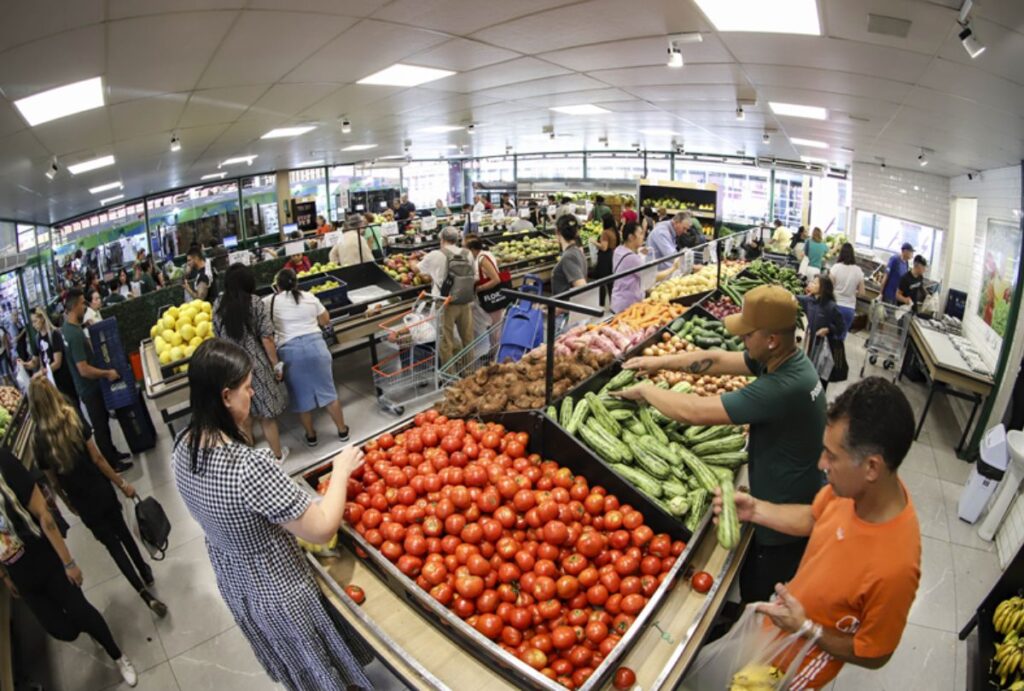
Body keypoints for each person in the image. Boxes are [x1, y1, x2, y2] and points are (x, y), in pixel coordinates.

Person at [171, 339, 373, 691]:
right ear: (224, 396)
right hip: (280, 587)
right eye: (247, 389)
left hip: (236, 579)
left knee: (303, 668)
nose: (252, 395)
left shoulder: (183, 445)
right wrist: (341, 469)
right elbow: (322, 529)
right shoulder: (247, 466)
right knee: (324, 665)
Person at [617, 285, 825, 602]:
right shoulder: (786, 360)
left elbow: (694, 411)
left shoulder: (781, 387)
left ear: (771, 339)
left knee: (761, 596)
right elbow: (714, 359)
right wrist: (659, 362)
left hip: (784, 518)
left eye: (747, 334)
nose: (741, 339)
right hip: (786, 493)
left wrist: (647, 391)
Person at [712, 377, 921, 690]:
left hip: (797, 668)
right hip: (778, 628)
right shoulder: (851, 489)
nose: (822, 464)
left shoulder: (896, 568)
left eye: (832, 456)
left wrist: (807, 629)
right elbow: (813, 518)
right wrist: (755, 510)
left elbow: (875, 654)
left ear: (872, 468)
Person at [29, 377, 168, 617]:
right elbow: (99, 459)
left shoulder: (39, 442)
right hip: (101, 490)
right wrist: (122, 483)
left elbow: (52, 481)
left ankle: (143, 593)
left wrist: (68, 503)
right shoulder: (72, 419)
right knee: (124, 533)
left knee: (113, 547)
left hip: (83, 502)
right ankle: (145, 571)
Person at [0, 447, 139, 686]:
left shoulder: (4, 461)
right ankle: (87, 627)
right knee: (60, 630)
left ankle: (117, 655)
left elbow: (43, 514)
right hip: (20, 574)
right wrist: (4, 575)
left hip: (45, 558)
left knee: (82, 611)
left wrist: (68, 562)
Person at [214, 264, 289, 462]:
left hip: (230, 367)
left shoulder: (218, 304)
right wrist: (276, 365)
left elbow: (217, 337)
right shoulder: (255, 302)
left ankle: (249, 458)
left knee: (243, 417)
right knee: (267, 416)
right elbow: (267, 338)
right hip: (256, 366)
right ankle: (278, 456)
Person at [266, 269, 350, 447]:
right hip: (316, 347)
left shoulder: (270, 301)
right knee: (329, 392)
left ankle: (311, 436)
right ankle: (342, 431)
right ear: (296, 282)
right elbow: (325, 320)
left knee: (300, 397)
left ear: (277, 286)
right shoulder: (309, 297)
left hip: (290, 353)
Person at [61, 289, 132, 472]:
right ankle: (112, 462)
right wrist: (107, 373)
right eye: (82, 303)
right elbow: (83, 369)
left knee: (104, 423)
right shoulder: (74, 335)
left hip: (89, 387)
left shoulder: (69, 329)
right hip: (89, 388)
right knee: (100, 425)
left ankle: (112, 453)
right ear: (75, 305)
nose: (84, 306)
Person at [411, 227, 474, 367]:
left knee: (446, 342)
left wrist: (412, 261)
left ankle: (449, 377)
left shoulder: (435, 255)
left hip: (445, 304)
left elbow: (417, 269)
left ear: (442, 240)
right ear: (456, 239)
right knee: (468, 339)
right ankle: (470, 373)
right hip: (465, 301)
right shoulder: (467, 253)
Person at [610, 221, 679, 314]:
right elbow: (652, 277)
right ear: (631, 237)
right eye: (641, 234)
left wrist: (638, 251)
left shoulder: (618, 250)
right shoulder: (632, 258)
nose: (643, 237)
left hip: (617, 299)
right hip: (628, 305)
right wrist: (673, 268)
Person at [22, 309, 79, 409]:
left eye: (35, 321)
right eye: (32, 322)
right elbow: (35, 361)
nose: (34, 325)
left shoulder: (54, 334)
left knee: (73, 409)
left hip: (64, 381)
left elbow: (57, 363)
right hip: (52, 383)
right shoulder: (37, 338)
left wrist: (42, 372)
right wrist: (25, 364)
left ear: (42, 318)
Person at [800, 275, 847, 390]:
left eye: (815, 283)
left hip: (826, 349)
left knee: (821, 380)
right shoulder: (809, 301)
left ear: (823, 288)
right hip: (811, 346)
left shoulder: (831, 307)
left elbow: (841, 327)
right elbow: (792, 298)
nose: (811, 284)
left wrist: (828, 329)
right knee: (809, 375)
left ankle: (818, 401)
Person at [464, 234, 504, 354]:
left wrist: (479, 288)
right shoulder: (484, 254)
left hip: (491, 296)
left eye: (464, 247)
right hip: (492, 297)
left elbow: (496, 279)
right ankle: (492, 353)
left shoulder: (482, 259)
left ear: (472, 249)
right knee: (493, 327)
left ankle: (495, 355)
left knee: (494, 328)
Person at [828, 243, 865, 334]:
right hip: (849, 309)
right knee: (841, 338)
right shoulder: (858, 270)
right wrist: (852, 292)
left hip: (834, 305)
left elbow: (828, 287)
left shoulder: (836, 268)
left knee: (829, 336)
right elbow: (862, 293)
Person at [551, 215, 587, 296]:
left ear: (557, 232)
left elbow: (582, 288)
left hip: (565, 307)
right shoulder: (577, 251)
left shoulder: (568, 257)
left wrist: (557, 308)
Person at [593, 213, 618, 306]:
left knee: (602, 282)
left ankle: (601, 304)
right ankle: (613, 302)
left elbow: (604, 247)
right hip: (612, 256)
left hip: (605, 258)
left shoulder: (605, 232)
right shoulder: (614, 231)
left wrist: (594, 242)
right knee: (611, 281)